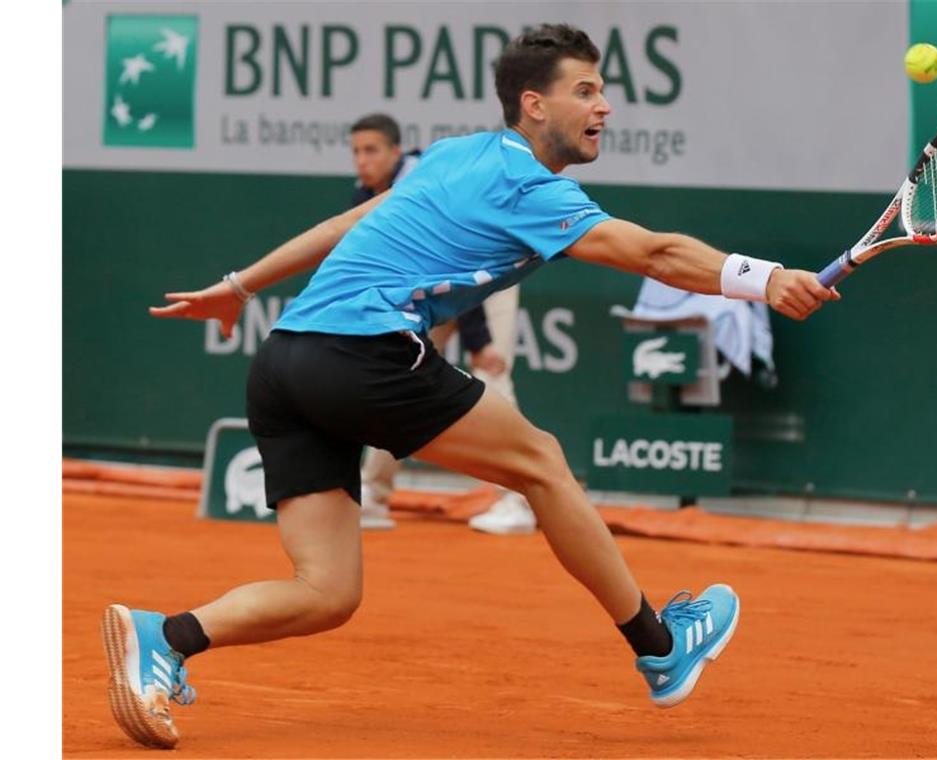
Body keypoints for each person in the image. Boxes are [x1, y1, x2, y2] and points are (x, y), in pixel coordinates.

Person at [104, 24, 838, 749]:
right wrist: (766, 279)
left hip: (284, 362)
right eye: (586, 91)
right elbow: (654, 252)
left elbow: (349, 222)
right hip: (362, 352)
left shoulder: (452, 155)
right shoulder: (528, 186)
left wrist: (239, 286)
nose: (604, 106)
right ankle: (658, 645)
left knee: (326, 592)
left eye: (604, 90)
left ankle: (164, 637)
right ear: (534, 104)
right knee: (542, 462)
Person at [345, 113, 528, 531]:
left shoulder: (419, 184)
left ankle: (519, 502)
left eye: (371, 150)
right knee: (395, 378)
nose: (362, 161)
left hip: (487, 276)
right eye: (356, 152)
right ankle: (373, 494)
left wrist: (479, 342)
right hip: (433, 291)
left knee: (491, 371)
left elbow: (462, 268)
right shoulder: (365, 194)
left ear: (395, 152)